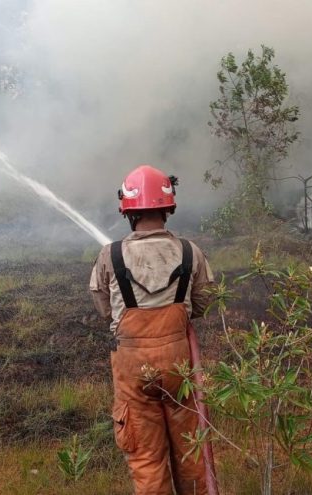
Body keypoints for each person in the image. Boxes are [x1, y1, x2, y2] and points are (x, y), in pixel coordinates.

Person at [89, 164, 214, 495]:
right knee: (191, 450)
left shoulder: (109, 255)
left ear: (128, 211)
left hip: (133, 368)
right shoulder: (190, 251)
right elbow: (202, 304)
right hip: (180, 363)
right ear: (168, 207)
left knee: (146, 458)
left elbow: (105, 309)